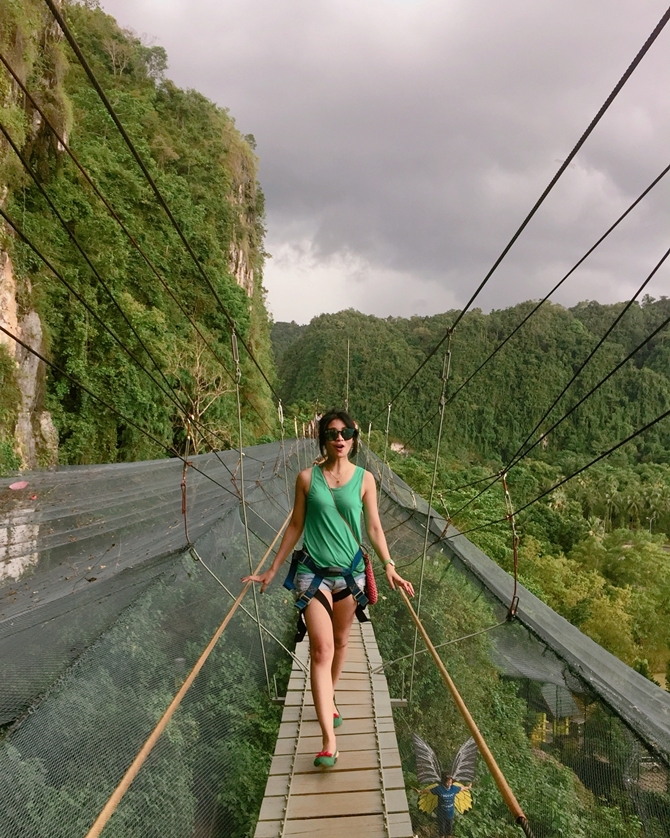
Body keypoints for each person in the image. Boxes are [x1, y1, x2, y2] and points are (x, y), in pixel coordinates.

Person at [243, 409, 414, 767]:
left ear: (354, 438)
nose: (340, 437)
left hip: (349, 574)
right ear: (323, 438)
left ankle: (330, 696)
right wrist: (272, 569)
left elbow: (375, 529)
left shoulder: (365, 479)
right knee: (320, 651)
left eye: (347, 432)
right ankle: (328, 741)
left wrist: (390, 567)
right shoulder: (307, 478)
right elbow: (295, 525)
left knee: (340, 643)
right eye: (333, 432)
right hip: (312, 573)